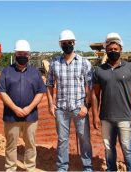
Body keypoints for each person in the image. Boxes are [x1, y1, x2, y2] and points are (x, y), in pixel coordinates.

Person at [91, 32, 131, 171]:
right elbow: (95, 95)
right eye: (110, 49)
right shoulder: (99, 71)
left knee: (127, 149)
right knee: (109, 149)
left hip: (126, 117)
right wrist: (95, 116)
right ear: (106, 51)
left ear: (121, 49)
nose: (113, 51)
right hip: (106, 118)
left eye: (115, 49)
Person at [0, 40, 47, 171]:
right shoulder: (7, 71)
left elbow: (40, 92)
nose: (22, 55)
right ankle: (11, 168)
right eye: (20, 53)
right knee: (11, 145)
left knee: (30, 144)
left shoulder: (35, 72)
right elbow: (2, 92)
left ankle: (30, 168)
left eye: (25, 53)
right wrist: (15, 109)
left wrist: (29, 108)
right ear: (15, 54)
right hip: (11, 117)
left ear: (29, 55)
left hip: (31, 117)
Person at [46, 30, 93, 171]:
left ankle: (88, 167)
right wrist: (50, 104)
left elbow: (90, 87)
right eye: (64, 43)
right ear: (60, 44)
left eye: (70, 43)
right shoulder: (54, 63)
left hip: (79, 108)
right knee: (62, 140)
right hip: (61, 108)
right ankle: (62, 167)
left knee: (84, 139)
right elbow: (49, 84)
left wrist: (86, 106)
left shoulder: (84, 63)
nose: (67, 45)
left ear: (74, 43)